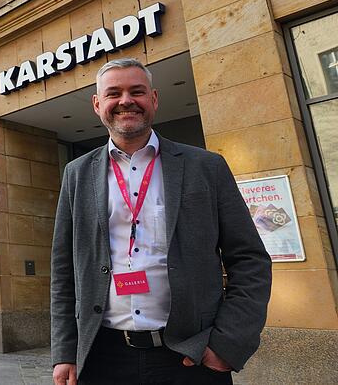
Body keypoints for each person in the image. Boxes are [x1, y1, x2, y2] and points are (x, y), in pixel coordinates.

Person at [51, 58, 272, 385]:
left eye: (136, 91)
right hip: (101, 357)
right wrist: (65, 352)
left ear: (153, 99)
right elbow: (63, 268)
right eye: (114, 93)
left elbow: (250, 259)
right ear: (98, 105)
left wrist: (228, 343)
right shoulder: (77, 174)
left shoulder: (206, 167)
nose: (126, 100)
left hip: (190, 357)